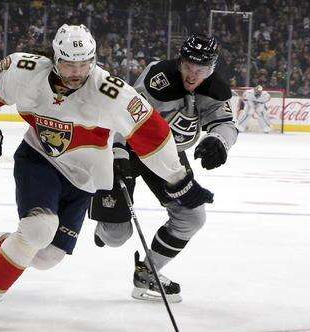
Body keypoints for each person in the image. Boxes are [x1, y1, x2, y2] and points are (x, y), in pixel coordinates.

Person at [0, 25, 214, 329]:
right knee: (39, 229)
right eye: (69, 64)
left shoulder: (109, 92)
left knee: (47, 256)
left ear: (93, 59)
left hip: (84, 178)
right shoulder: (26, 70)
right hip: (39, 160)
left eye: (84, 64)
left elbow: (152, 132)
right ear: (55, 58)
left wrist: (178, 179)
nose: (76, 72)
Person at [90, 34, 238, 303]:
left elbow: (226, 123)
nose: (193, 75)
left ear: (212, 68)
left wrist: (219, 141)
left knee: (192, 217)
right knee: (115, 236)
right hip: (131, 148)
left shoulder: (215, 88)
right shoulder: (158, 77)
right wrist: (118, 152)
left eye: (201, 70)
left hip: (168, 156)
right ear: (180, 61)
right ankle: (103, 222)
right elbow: (125, 114)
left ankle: (148, 272)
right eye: (188, 67)